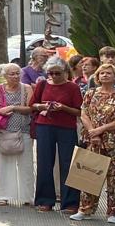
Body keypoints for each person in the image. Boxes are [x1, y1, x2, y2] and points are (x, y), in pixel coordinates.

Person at [72, 62, 115, 225]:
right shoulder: (90, 93)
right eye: (102, 73)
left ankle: (114, 211)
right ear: (97, 77)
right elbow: (84, 113)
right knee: (89, 173)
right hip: (93, 140)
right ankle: (85, 209)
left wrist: (101, 130)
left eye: (109, 73)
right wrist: (93, 132)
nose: (105, 75)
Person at [31, 59, 83, 212]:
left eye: (57, 73)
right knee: (44, 162)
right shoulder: (43, 84)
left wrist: (64, 108)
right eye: (50, 73)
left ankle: (71, 202)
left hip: (66, 127)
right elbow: (32, 104)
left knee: (68, 163)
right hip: (45, 125)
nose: (53, 76)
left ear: (65, 72)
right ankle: (45, 200)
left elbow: (79, 111)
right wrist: (41, 106)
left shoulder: (72, 87)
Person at [0, 64, 37, 207]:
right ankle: (4, 196)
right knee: (4, 164)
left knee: (26, 165)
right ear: (4, 76)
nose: (16, 76)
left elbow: (30, 108)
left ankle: (27, 197)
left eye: (18, 73)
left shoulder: (27, 88)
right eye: (12, 74)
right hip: (4, 131)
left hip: (24, 130)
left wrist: (13, 107)